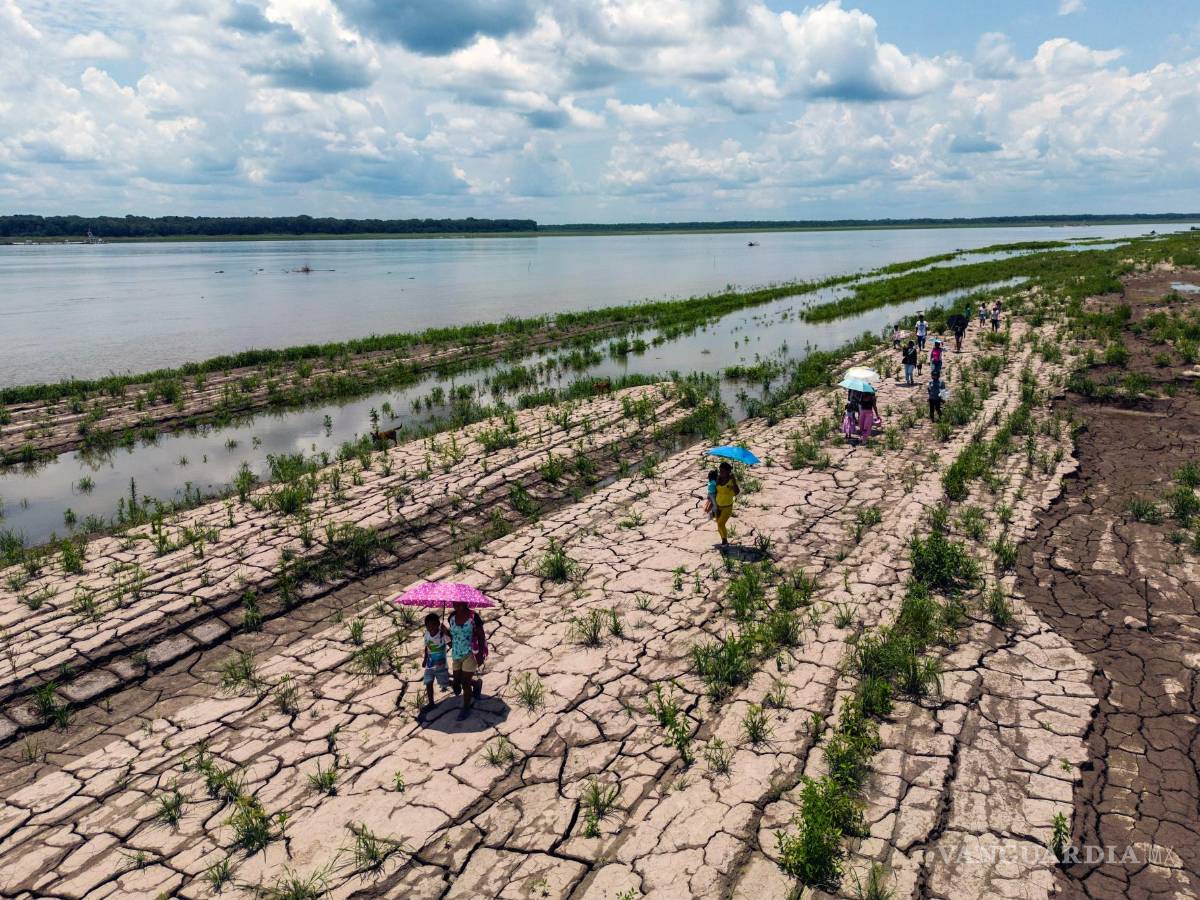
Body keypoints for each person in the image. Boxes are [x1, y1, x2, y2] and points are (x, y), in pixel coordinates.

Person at [448, 601, 488, 720]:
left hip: (470, 653)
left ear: (466, 602)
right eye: (455, 602)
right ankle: (476, 684)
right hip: (456, 653)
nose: (457, 604)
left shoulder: (473, 617)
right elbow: (453, 637)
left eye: (460, 602)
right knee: (457, 680)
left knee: (465, 683)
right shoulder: (451, 617)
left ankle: (466, 708)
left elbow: (481, 636)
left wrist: (480, 654)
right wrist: (445, 631)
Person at [421, 613, 451, 710]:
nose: (432, 627)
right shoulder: (426, 635)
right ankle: (431, 703)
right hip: (430, 664)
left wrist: (446, 632)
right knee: (428, 682)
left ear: (438, 624)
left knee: (444, 683)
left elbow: (451, 644)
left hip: (441, 665)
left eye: (434, 625)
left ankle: (457, 684)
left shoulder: (442, 634)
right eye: (429, 626)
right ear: (426, 627)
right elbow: (427, 647)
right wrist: (425, 659)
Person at [714, 461, 740, 545]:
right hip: (718, 506)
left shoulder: (731, 481)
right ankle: (723, 539)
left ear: (728, 472)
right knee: (718, 525)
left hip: (727, 507)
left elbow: (736, 492)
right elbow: (715, 492)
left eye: (723, 471)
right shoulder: (718, 479)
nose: (721, 473)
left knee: (721, 523)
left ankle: (724, 541)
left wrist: (734, 481)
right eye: (720, 470)